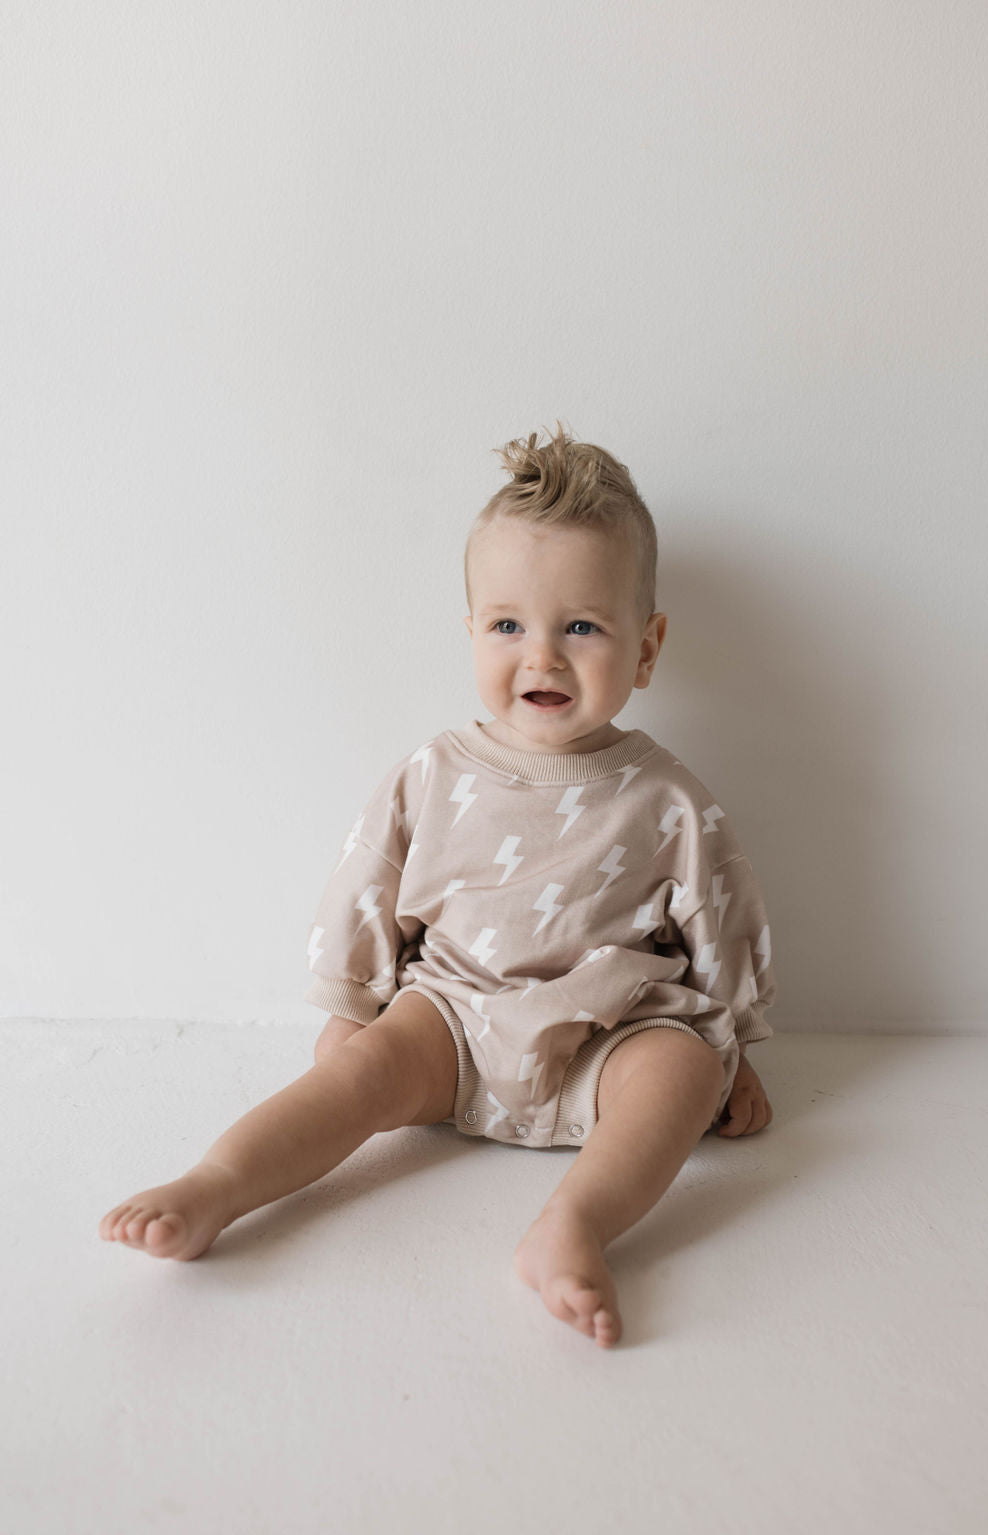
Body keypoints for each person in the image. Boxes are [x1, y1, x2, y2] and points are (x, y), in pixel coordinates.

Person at [99, 424, 776, 1348]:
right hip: (451, 1019)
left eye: (581, 626)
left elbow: (723, 922)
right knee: (360, 1072)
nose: (541, 657)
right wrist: (351, 1003)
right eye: (509, 626)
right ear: (471, 634)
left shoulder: (667, 799)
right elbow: (365, 886)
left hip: (606, 1037)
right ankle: (220, 1182)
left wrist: (734, 1046)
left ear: (647, 647)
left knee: (682, 1069)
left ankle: (572, 1225)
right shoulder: (437, 772)